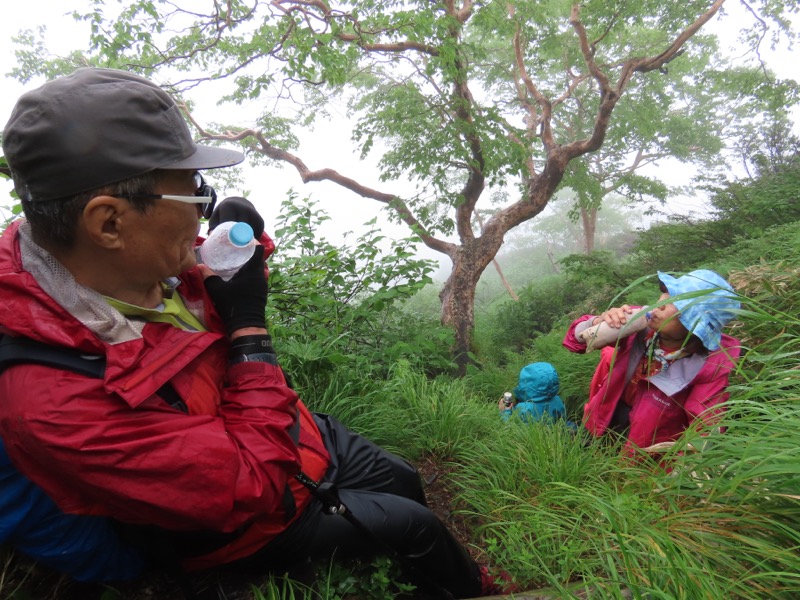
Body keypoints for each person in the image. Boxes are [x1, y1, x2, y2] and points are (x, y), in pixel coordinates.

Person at [0, 68, 511, 598]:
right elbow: (248, 487)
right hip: (249, 516)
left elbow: (222, 267)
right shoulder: (52, 401)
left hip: (292, 431)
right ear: (107, 223)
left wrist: (249, 243)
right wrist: (249, 333)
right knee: (416, 527)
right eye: (192, 192)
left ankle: (403, 566)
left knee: (403, 478)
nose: (202, 207)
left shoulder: (129, 263)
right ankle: (479, 591)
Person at [562, 270, 741, 452]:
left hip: (645, 446)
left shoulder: (709, 365)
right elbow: (575, 343)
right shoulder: (638, 325)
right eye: (666, 292)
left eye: (676, 302)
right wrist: (599, 322)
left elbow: (705, 428)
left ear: (696, 324)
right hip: (605, 416)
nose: (661, 302)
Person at [498, 362, 567, 424]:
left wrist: (504, 412)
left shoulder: (524, 409)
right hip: (554, 435)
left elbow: (511, 428)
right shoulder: (558, 400)